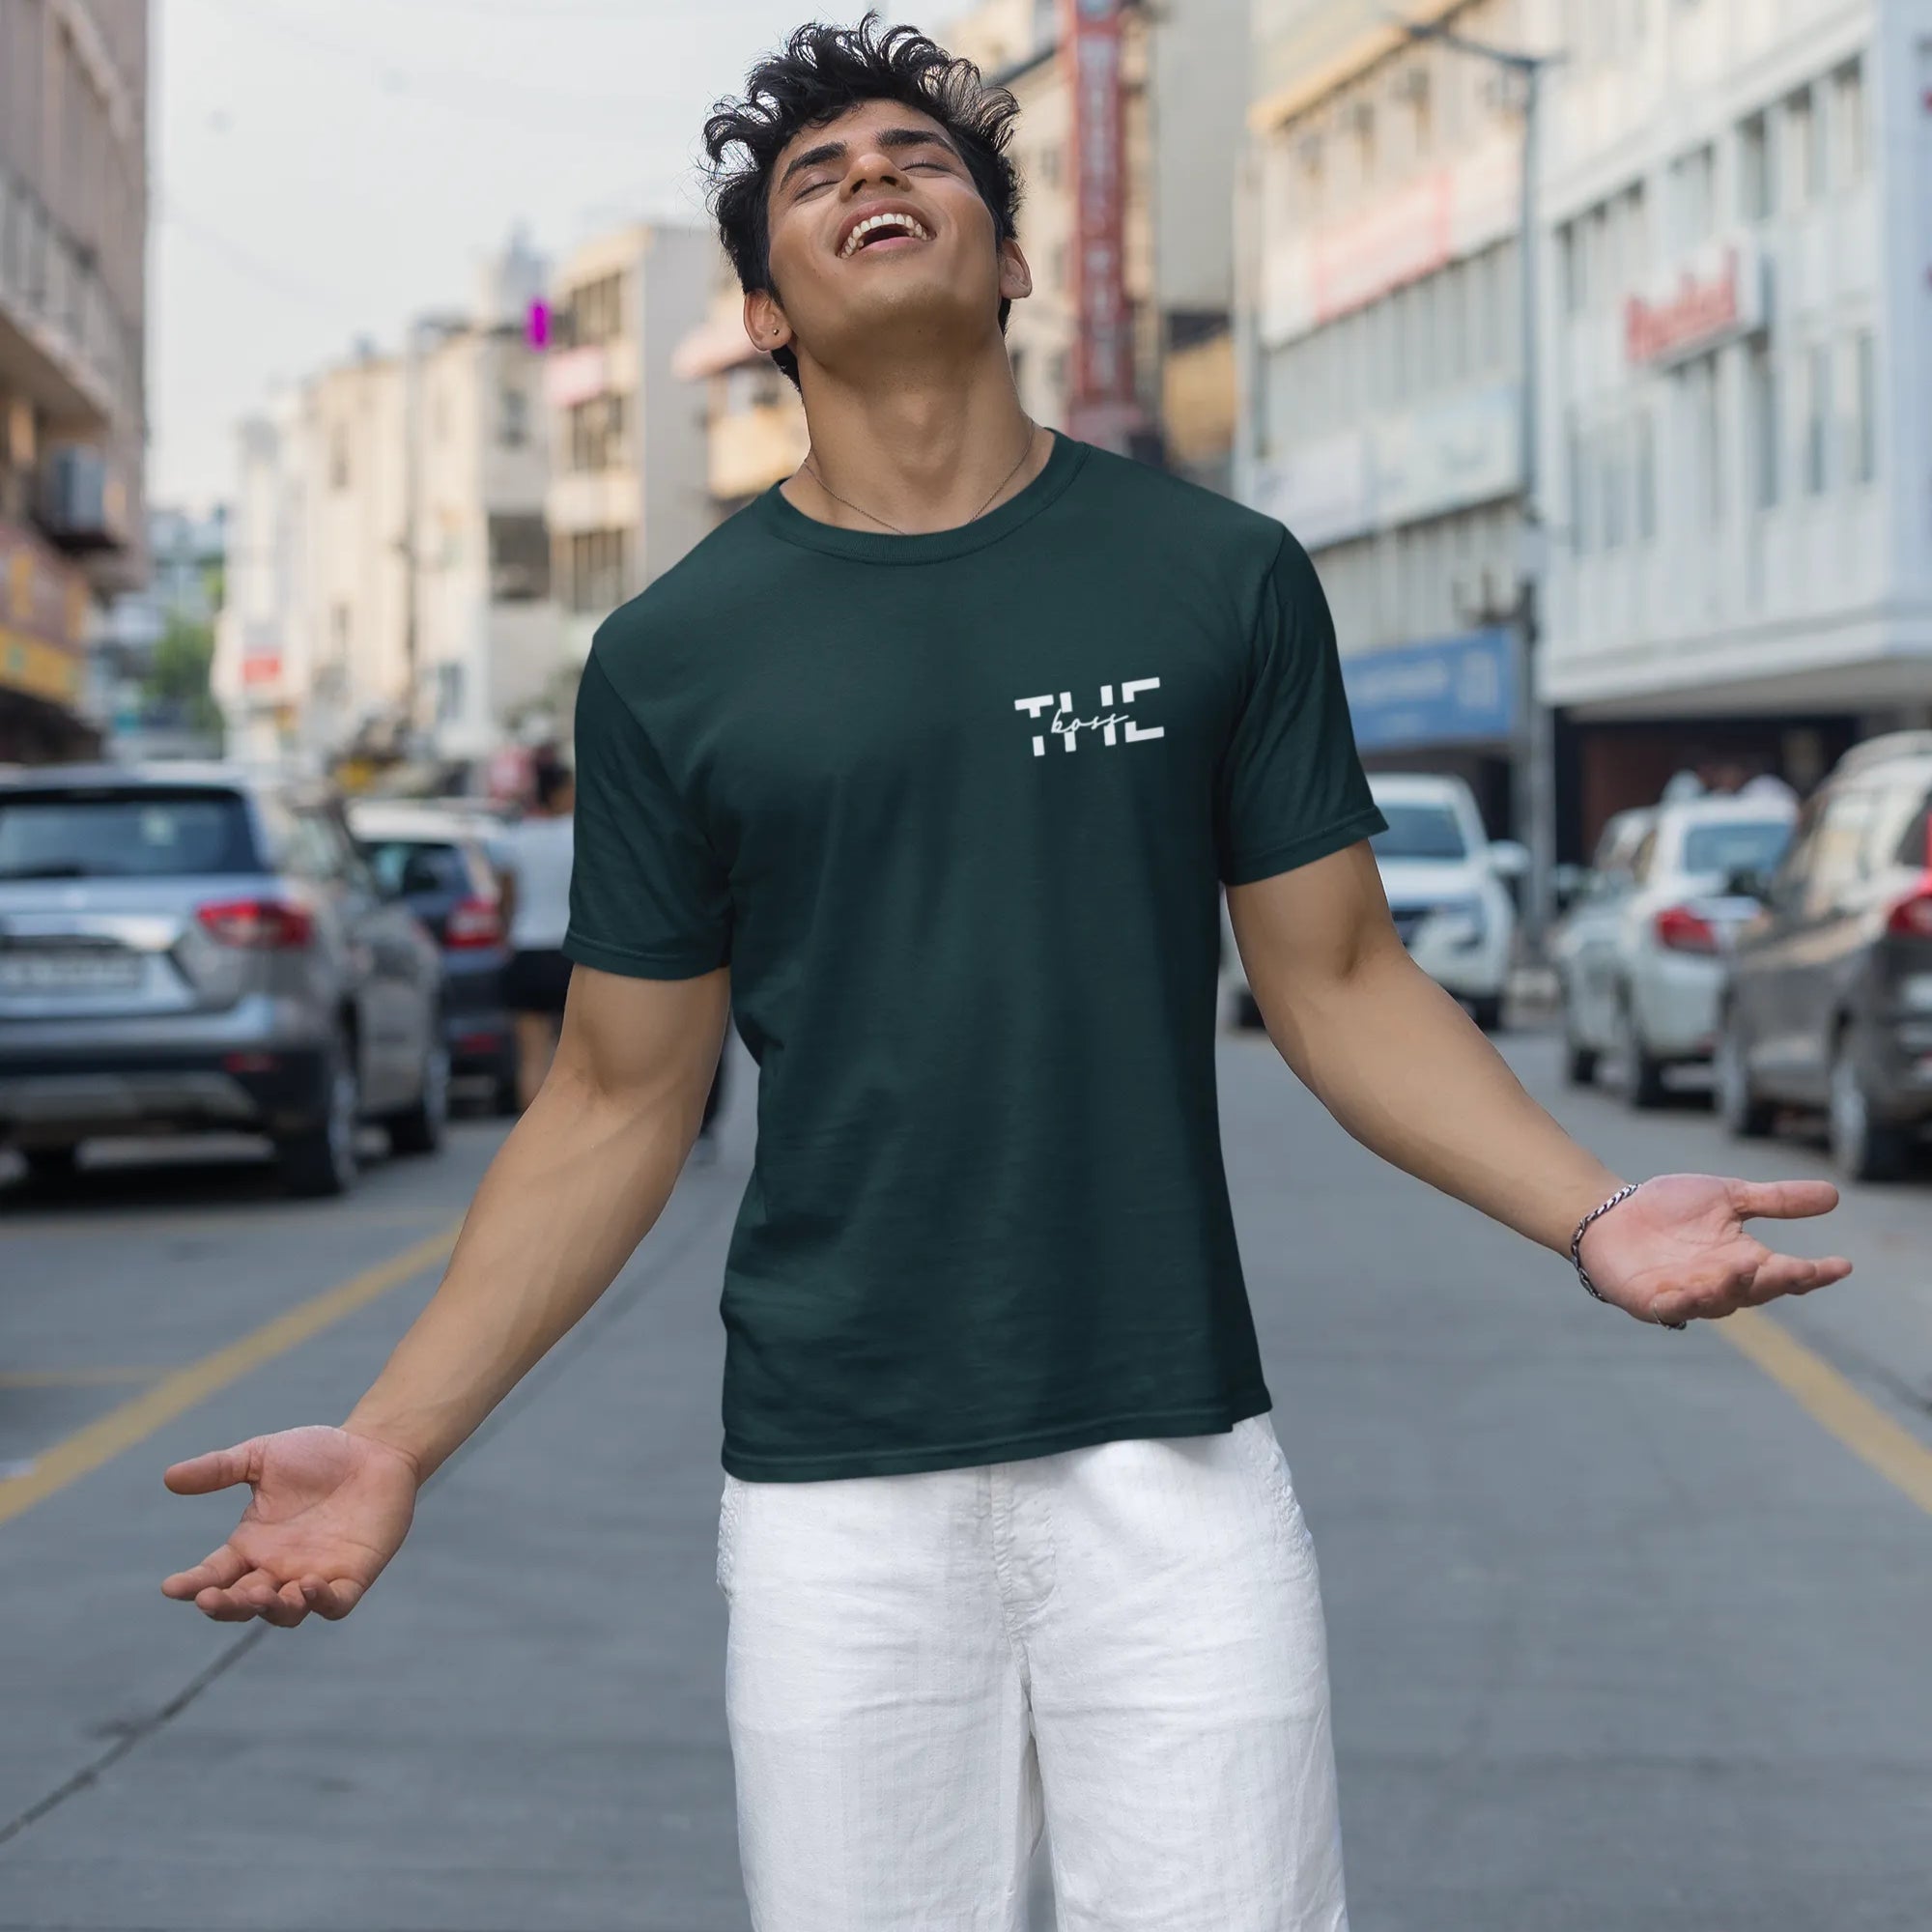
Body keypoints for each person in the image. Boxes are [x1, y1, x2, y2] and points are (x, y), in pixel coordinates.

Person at [160, 21, 1851, 1930]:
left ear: (1018, 257)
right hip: (835, 1488)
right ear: (762, 310)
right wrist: (396, 1435)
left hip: (1172, 1459)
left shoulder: (1213, 576)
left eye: (919, 157)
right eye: (817, 178)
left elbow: (1342, 979)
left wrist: (1592, 1207)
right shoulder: (670, 659)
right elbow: (621, 1094)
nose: (872, 180)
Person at [495, 755, 576, 1110]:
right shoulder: (582, 835)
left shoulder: (516, 839)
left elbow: (505, 903)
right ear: (558, 792)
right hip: (573, 953)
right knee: (578, 1058)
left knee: (532, 1058)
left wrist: (505, 938)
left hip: (527, 951)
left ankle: (531, 1133)